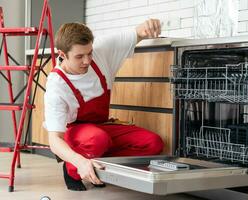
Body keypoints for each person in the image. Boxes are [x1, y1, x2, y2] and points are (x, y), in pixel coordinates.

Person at [43, 19, 164, 191]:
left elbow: (136, 33)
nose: (87, 61)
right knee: (97, 139)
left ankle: (99, 164)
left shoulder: (101, 50)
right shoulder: (57, 86)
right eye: (79, 57)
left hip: (103, 127)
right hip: (77, 133)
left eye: (89, 53)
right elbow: (55, 140)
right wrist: (79, 160)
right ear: (62, 54)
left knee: (153, 143)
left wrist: (147, 27)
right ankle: (72, 169)